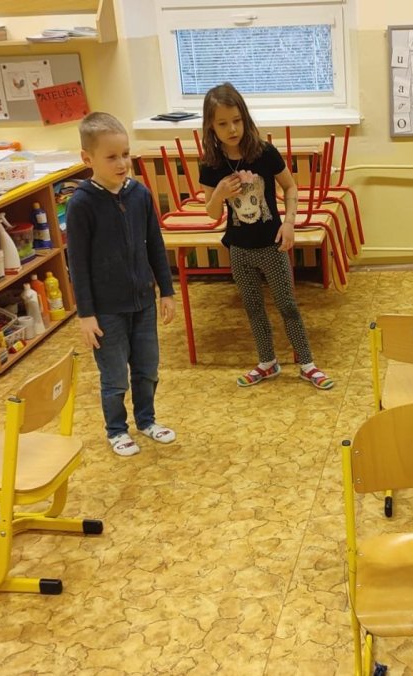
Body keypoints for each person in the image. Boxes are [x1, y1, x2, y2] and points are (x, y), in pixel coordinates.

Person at [197, 82, 334, 390]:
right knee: (253, 307)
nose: (232, 129)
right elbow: (211, 212)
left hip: (272, 245)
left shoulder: (264, 152)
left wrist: (289, 223)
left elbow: (290, 187)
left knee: (288, 305)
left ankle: (307, 364)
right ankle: (267, 362)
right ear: (211, 127)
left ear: (245, 118)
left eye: (237, 120)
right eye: (222, 124)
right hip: (238, 248)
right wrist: (219, 193)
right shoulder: (210, 164)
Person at [66, 112, 178, 457]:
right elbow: (77, 264)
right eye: (111, 157)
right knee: (114, 376)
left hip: (143, 302)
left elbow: (155, 244)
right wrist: (86, 314)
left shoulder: (139, 194)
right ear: (88, 159)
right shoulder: (81, 204)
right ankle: (116, 429)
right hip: (106, 311)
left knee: (147, 369)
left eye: (125, 154)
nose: (122, 163)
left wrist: (166, 291)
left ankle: (146, 420)